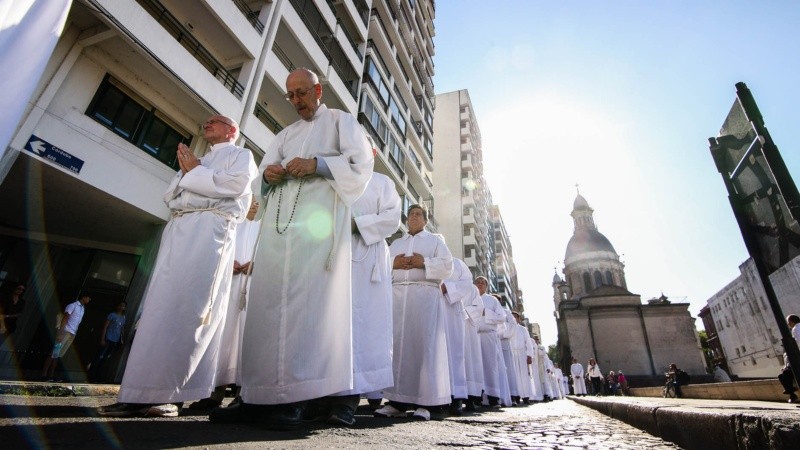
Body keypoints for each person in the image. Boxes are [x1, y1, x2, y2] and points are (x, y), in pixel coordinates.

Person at [211, 68, 373, 430]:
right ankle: (255, 395)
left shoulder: (340, 121)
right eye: (291, 96)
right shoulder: (285, 134)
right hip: (279, 227)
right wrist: (268, 176)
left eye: (302, 93)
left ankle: (296, 400)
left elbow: (361, 163)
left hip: (317, 229)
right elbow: (264, 171)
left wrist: (317, 165)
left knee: (307, 309)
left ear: (318, 89)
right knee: (265, 306)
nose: (297, 101)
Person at [98, 114, 258, 418]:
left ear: (232, 130)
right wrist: (196, 175)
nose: (207, 123)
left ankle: (171, 395)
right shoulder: (196, 160)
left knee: (190, 307)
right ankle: (135, 393)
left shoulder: (241, 156)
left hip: (210, 231)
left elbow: (236, 188)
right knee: (158, 309)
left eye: (215, 121)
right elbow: (171, 194)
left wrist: (196, 175)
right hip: (180, 229)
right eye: (206, 120)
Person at [318, 170, 400, 426]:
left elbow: (392, 218)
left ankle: (349, 398)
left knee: (360, 324)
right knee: (328, 324)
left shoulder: (382, 182)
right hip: (329, 253)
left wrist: (355, 225)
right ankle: (320, 394)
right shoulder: (331, 176)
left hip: (365, 256)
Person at [373, 205, 454, 422]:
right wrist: (394, 262)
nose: (414, 217)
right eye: (411, 214)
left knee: (424, 347)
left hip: (425, 296)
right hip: (398, 296)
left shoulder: (436, 241)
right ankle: (397, 401)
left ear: (425, 220)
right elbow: (380, 264)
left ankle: (426, 403)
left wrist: (424, 262)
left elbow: (448, 266)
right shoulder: (397, 243)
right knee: (399, 349)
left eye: (418, 214)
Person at [188, 199, 261, 411]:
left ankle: (243, 393)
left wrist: (258, 263)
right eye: (251, 202)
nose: (254, 206)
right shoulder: (233, 221)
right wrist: (229, 263)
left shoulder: (267, 224)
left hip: (256, 283)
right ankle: (215, 391)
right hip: (228, 282)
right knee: (222, 335)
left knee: (248, 336)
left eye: (258, 203)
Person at [441, 258, 476, 415]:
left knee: (454, 355)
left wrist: (447, 288)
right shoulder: (425, 259)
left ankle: (456, 398)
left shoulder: (457, 263)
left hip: (452, 310)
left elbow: (467, 284)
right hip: (430, 308)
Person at [474, 277, 507, 408]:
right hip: (473, 336)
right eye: (478, 282)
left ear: (486, 286)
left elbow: (502, 317)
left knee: (490, 366)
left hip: (488, 335)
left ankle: (494, 398)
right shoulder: (470, 297)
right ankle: (476, 398)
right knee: (475, 367)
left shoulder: (492, 300)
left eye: (483, 283)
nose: (480, 284)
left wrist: (485, 313)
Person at [41, 294, 91, 381]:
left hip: (72, 333)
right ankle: (44, 374)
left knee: (59, 355)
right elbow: (65, 318)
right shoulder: (72, 305)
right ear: (84, 297)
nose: (89, 300)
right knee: (54, 353)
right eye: (88, 297)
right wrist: (61, 333)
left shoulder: (82, 309)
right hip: (65, 332)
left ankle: (51, 375)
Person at [87, 301, 127, 382]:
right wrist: (102, 339)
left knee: (106, 358)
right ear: (117, 306)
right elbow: (105, 327)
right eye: (120, 305)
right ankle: (91, 375)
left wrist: (122, 340)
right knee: (99, 356)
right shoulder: (112, 315)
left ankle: (98, 377)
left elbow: (122, 329)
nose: (121, 307)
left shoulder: (123, 318)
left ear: (125, 308)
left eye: (123, 306)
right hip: (108, 338)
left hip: (115, 340)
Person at [778, 314, 800, 403]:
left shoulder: (795, 329)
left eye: (788, 323)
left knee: (784, 375)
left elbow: (798, 344)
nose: (788, 325)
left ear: (791, 322)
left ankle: (792, 394)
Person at [0, 283, 26, 348]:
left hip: (10, 326)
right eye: (19, 288)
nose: (20, 291)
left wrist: (7, 316)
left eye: (22, 290)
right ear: (15, 288)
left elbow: (20, 313)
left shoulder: (21, 302)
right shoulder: (7, 298)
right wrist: (3, 326)